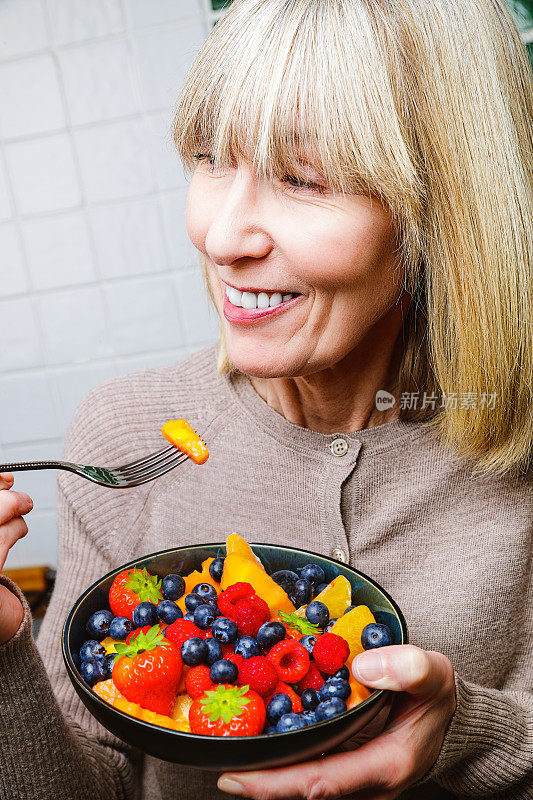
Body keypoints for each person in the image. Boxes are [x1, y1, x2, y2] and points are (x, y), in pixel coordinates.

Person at [0, 0, 531, 797]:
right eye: (211, 157)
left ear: (443, 207)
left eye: (301, 176)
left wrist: (464, 734)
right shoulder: (124, 430)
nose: (220, 235)